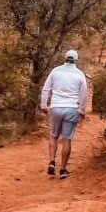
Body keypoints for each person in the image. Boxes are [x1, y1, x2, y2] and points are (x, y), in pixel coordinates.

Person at [40, 49, 88, 179]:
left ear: (65, 58)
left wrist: (44, 106)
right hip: (71, 108)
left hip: (55, 107)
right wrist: (82, 111)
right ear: (76, 60)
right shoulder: (79, 74)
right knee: (67, 139)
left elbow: (46, 89)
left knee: (53, 135)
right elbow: (84, 94)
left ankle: (51, 161)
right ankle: (63, 169)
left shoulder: (55, 71)